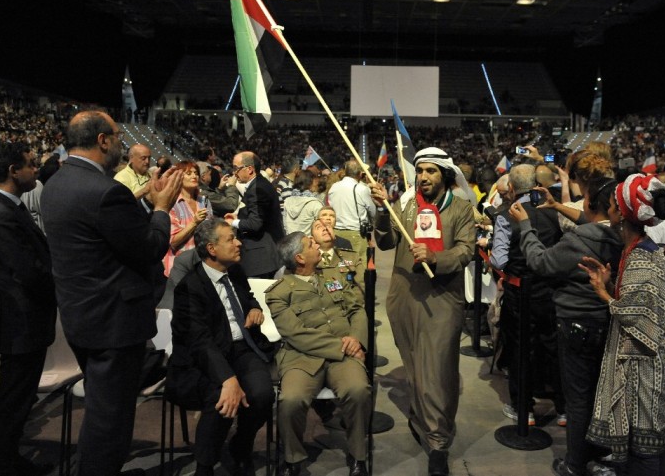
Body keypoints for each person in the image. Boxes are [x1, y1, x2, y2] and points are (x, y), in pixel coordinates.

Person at [41, 109, 182, 476]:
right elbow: (150, 247)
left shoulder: (56, 183)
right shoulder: (106, 192)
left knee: (105, 411)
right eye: (118, 136)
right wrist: (162, 208)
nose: (121, 142)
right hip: (114, 323)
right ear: (103, 140)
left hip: (81, 316)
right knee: (110, 417)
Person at [370, 147, 475, 476]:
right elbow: (386, 243)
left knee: (439, 371)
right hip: (405, 297)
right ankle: (422, 419)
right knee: (415, 366)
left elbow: (466, 251)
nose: (424, 177)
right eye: (420, 171)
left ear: (444, 174)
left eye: (431, 171)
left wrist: (434, 258)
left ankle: (438, 442)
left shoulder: (460, 208)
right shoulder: (405, 204)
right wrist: (382, 211)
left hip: (443, 299)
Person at [509, 177, 622, 476]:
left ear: (589, 203)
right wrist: (557, 204)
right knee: (600, 394)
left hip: (576, 323)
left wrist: (525, 226)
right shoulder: (620, 235)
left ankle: (574, 463)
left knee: (578, 398)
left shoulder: (577, 241)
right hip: (606, 321)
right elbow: (595, 223)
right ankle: (600, 456)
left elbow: (541, 262)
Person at [579, 173, 665, 475]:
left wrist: (602, 294)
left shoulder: (641, 259)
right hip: (647, 368)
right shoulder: (639, 250)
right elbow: (640, 305)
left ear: (620, 213)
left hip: (647, 371)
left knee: (645, 456)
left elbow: (642, 323)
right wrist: (611, 288)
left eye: (611, 204)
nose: (607, 208)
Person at [167, 219, 274, 476]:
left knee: (262, 395)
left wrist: (254, 308)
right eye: (230, 239)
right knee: (222, 399)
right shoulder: (189, 287)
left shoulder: (235, 271)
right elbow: (199, 341)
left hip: (241, 347)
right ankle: (205, 466)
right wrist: (228, 379)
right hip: (202, 357)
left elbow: (247, 296)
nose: (239, 243)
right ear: (212, 249)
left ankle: (241, 446)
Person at [265, 232, 371, 476]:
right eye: (311, 244)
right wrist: (341, 346)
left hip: (345, 356)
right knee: (290, 400)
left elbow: (357, 309)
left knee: (358, 391)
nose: (317, 244)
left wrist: (356, 340)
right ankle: (294, 460)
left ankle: (358, 456)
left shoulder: (334, 276)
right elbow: (296, 334)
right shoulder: (278, 292)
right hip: (301, 358)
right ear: (300, 258)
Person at [490, 164, 564, 427]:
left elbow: (498, 260)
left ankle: (524, 409)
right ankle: (563, 408)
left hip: (519, 290)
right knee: (553, 346)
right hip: (552, 289)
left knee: (521, 348)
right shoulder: (554, 212)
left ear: (510, 188)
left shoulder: (505, 216)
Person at [0, 141, 56, 476]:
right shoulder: (3, 214)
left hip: (27, 322)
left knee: (18, 398)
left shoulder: (13, 207)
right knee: (13, 399)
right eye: (31, 164)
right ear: (12, 170)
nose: (37, 169)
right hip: (19, 323)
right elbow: (28, 271)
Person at [227, 151, 284, 278]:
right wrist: (239, 217)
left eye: (236, 168)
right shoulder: (259, 184)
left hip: (261, 257)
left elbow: (255, 223)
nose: (234, 172)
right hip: (264, 253)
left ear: (250, 169)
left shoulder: (258, 188)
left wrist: (233, 223)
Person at [327, 159, 376, 284]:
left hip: (336, 232)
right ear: (360, 174)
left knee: (340, 266)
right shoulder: (361, 188)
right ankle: (358, 298)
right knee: (358, 269)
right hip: (356, 234)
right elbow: (373, 211)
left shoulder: (334, 187)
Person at [162, 161, 212, 277]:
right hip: (180, 268)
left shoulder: (204, 201)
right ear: (179, 177)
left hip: (203, 265)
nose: (194, 176)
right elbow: (173, 242)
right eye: (189, 173)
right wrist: (194, 222)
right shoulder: (172, 204)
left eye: (196, 173)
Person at [283, 169, 323, 235]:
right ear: (309, 183)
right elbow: (321, 228)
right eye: (315, 181)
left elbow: (285, 226)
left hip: (291, 242)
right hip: (309, 243)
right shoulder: (315, 204)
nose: (317, 184)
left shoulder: (287, 201)